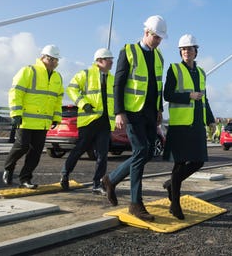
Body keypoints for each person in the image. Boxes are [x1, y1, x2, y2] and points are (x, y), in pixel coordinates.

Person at [101, 15, 167, 222]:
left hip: (149, 113)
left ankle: (111, 180)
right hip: (132, 112)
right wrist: (119, 112)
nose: (158, 41)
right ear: (146, 32)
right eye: (156, 37)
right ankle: (135, 204)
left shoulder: (159, 57)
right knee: (140, 151)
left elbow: (158, 85)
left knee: (147, 153)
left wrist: (159, 110)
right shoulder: (128, 51)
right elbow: (118, 83)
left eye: (160, 38)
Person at [162, 34, 215, 219]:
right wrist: (188, 96)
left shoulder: (201, 73)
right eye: (183, 49)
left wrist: (210, 120)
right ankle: (175, 204)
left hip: (197, 124)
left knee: (198, 161)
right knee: (179, 164)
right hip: (180, 124)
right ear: (180, 52)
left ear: (195, 51)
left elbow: (204, 99)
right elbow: (167, 94)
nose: (186, 52)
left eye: (190, 49)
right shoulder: (174, 69)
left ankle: (171, 184)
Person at [3, 45, 64, 188]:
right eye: (52, 59)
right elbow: (16, 92)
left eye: (56, 60)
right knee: (22, 146)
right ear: (43, 57)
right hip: (25, 118)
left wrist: (56, 117)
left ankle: (25, 179)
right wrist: (16, 113)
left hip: (43, 121)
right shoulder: (29, 70)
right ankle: (9, 168)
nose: (54, 62)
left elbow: (57, 99)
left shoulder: (57, 77)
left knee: (36, 152)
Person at [60, 48, 115, 195]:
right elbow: (71, 89)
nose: (111, 62)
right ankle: (65, 174)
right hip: (89, 121)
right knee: (79, 150)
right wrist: (83, 103)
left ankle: (97, 184)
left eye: (111, 59)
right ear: (99, 61)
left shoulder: (112, 78)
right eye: (108, 59)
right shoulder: (85, 74)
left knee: (103, 154)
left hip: (105, 122)